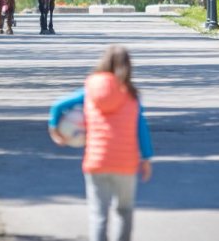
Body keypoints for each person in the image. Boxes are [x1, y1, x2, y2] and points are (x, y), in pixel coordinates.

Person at [48, 45, 153, 241]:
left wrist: (55, 131)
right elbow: (142, 129)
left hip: (96, 161)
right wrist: (146, 158)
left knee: (98, 214)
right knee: (124, 210)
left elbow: (57, 107)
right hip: (125, 163)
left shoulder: (90, 89)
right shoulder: (131, 95)